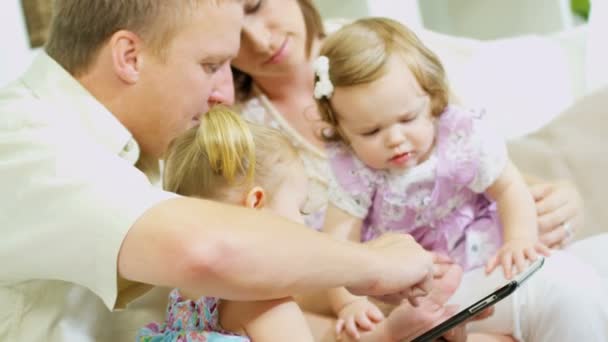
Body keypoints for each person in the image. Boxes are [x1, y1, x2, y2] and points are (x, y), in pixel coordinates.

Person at [0, 1, 454, 341]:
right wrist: (373, 266)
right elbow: (206, 251)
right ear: (129, 57)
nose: (222, 92)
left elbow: (259, 288)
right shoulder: (21, 140)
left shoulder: (155, 152)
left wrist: (367, 309)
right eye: (211, 65)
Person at [312, 17, 608, 341]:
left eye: (408, 118)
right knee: (562, 287)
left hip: (492, 254)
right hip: (429, 289)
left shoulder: (459, 137)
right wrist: (349, 305)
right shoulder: (354, 172)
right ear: (340, 130)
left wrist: (519, 239)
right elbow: (339, 250)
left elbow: (509, 187)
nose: (395, 138)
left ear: (432, 99)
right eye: (371, 131)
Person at [138, 105, 470, 342]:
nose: (304, 224)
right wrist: (390, 333)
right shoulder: (262, 298)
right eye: (298, 208)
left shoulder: (185, 291)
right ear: (256, 204)